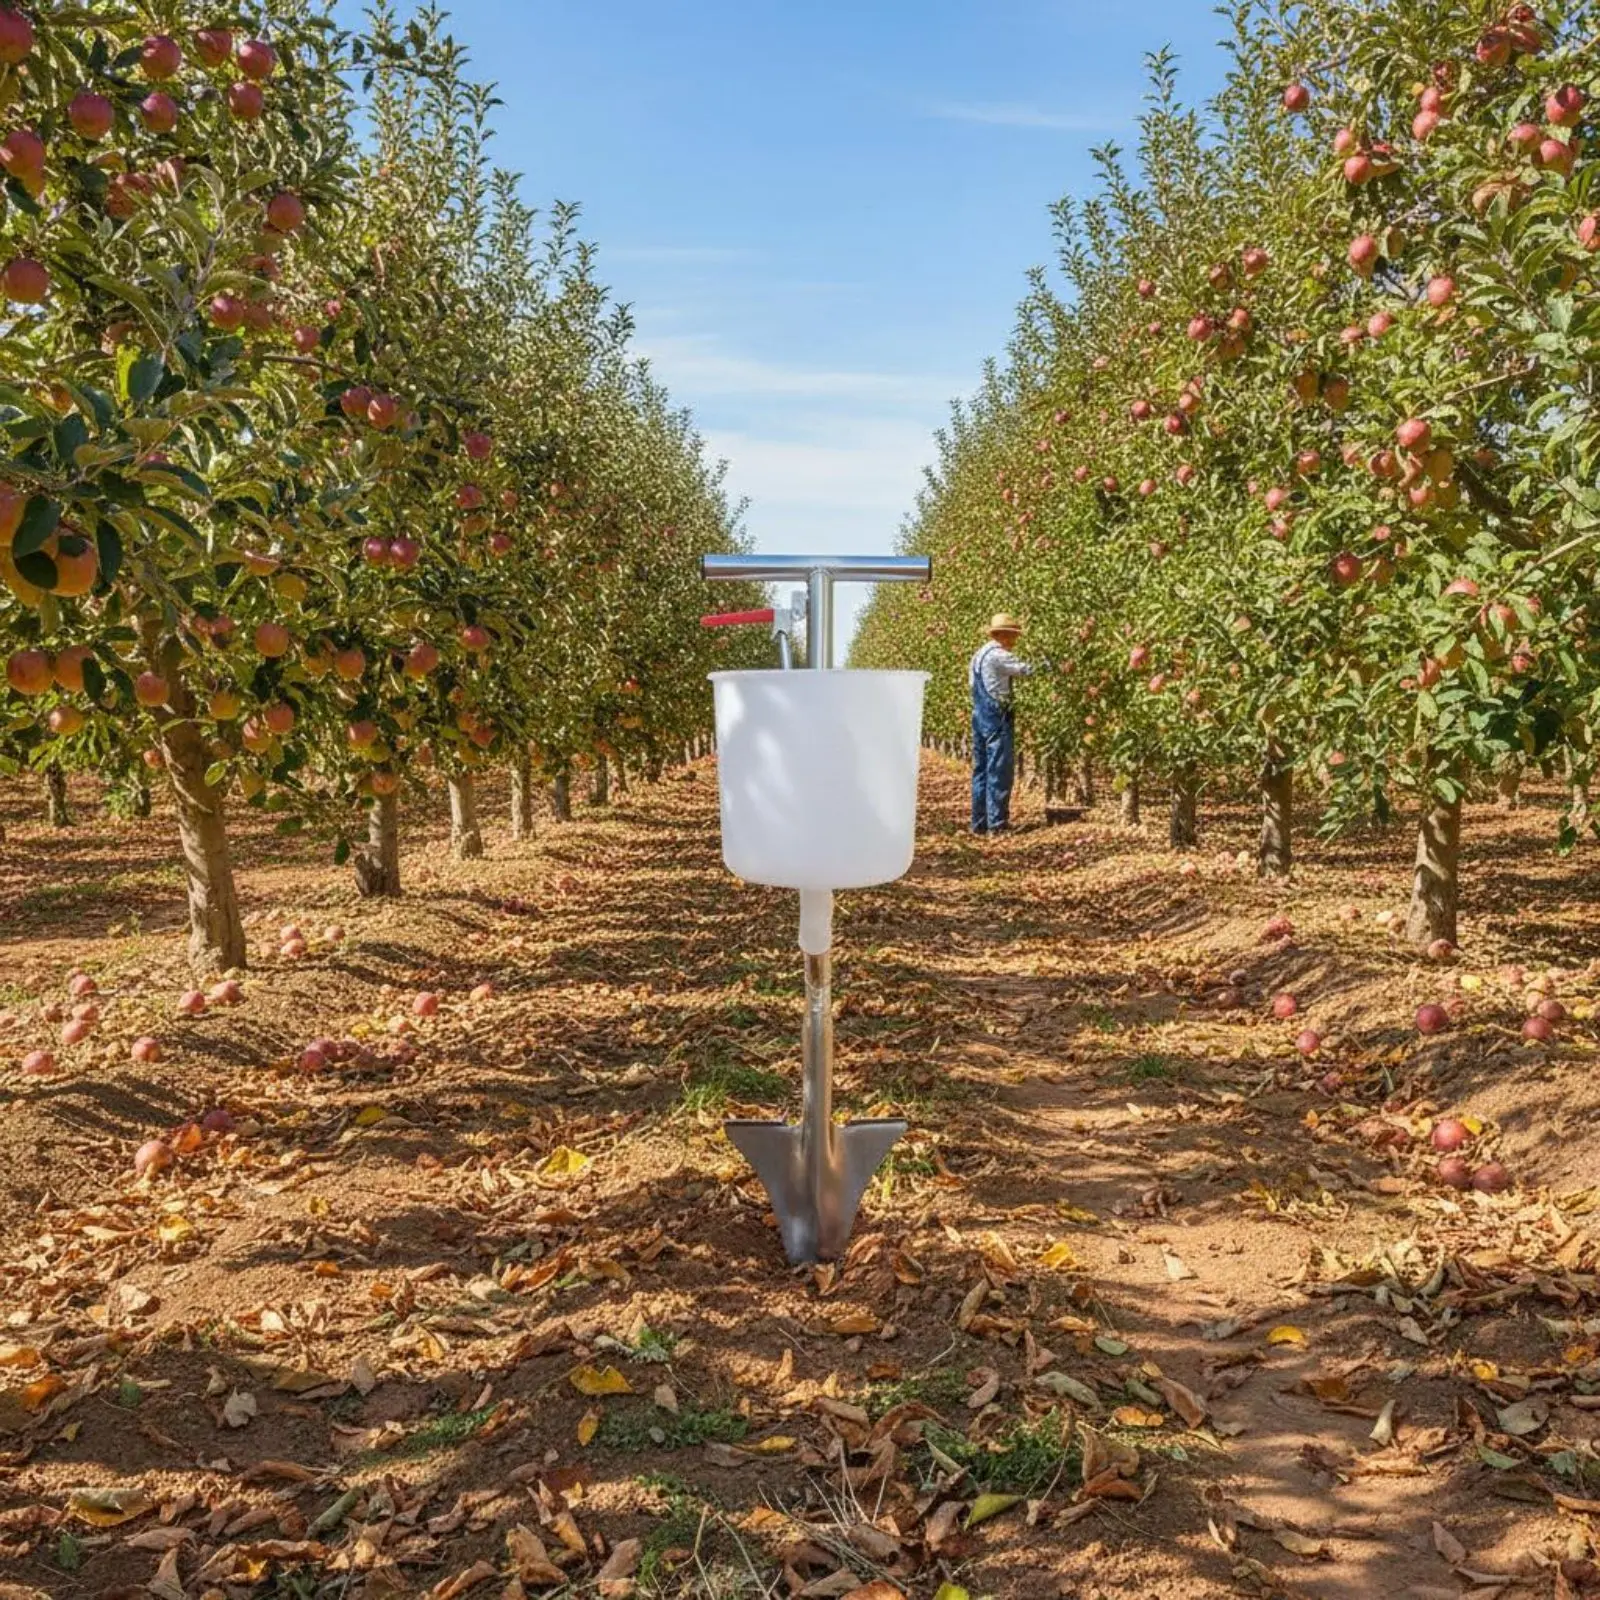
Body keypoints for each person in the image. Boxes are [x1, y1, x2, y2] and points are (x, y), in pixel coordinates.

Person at [969, 612, 1041, 835]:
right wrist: (1053, 665)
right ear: (1003, 635)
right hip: (996, 716)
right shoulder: (999, 655)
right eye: (1013, 635)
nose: (1015, 640)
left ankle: (979, 823)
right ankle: (997, 824)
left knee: (981, 770)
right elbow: (1028, 670)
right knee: (999, 769)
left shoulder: (978, 655)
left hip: (979, 715)